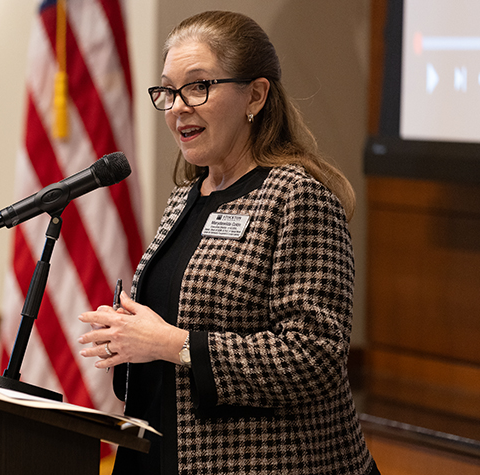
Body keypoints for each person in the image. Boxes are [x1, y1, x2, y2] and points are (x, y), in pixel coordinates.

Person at [77, 10, 379, 475]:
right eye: (168, 91)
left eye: (198, 86)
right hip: (160, 450)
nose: (177, 107)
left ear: (255, 95)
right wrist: (128, 339)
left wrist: (171, 343)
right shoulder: (184, 199)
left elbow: (314, 356)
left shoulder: (297, 197)